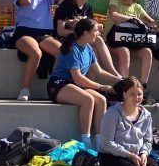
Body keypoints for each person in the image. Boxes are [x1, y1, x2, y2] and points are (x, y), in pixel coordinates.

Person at [0, 0, 68, 101]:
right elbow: (27, 1)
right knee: (36, 53)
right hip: (24, 32)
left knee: (62, 52)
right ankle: (24, 90)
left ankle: (56, 86)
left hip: (44, 33)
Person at [47, 18, 119, 150]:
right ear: (86, 33)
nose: (98, 34)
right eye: (96, 31)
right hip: (58, 84)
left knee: (102, 100)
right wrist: (101, 87)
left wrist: (119, 79)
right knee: (88, 99)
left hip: (75, 85)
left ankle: (99, 141)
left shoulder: (88, 49)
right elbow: (77, 77)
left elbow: (99, 71)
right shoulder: (72, 49)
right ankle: (86, 141)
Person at [53, 0, 121, 78]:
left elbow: (93, 29)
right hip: (68, 39)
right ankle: (114, 73)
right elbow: (60, 31)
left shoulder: (88, 7)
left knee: (93, 48)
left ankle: (91, 82)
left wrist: (96, 28)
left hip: (83, 39)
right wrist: (77, 28)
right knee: (97, 40)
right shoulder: (67, 5)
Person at [106, 0, 156, 94]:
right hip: (113, 43)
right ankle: (125, 86)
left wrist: (146, 23)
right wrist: (131, 19)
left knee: (147, 52)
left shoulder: (137, 7)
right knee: (124, 51)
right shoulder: (115, 0)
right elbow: (113, 15)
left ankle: (143, 88)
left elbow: (153, 23)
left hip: (133, 43)